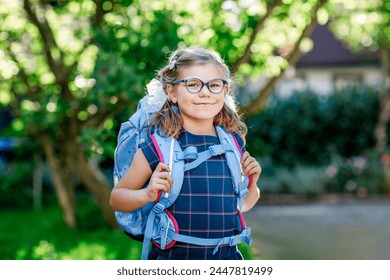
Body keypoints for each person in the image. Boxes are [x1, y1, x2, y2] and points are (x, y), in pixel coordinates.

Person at [110, 46, 261, 260]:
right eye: (193, 84)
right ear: (172, 92)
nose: (205, 92)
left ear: (225, 92)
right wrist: (147, 194)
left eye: (215, 85)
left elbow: (242, 204)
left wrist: (253, 184)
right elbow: (117, 198)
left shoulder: (234, 144)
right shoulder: (159, 147)